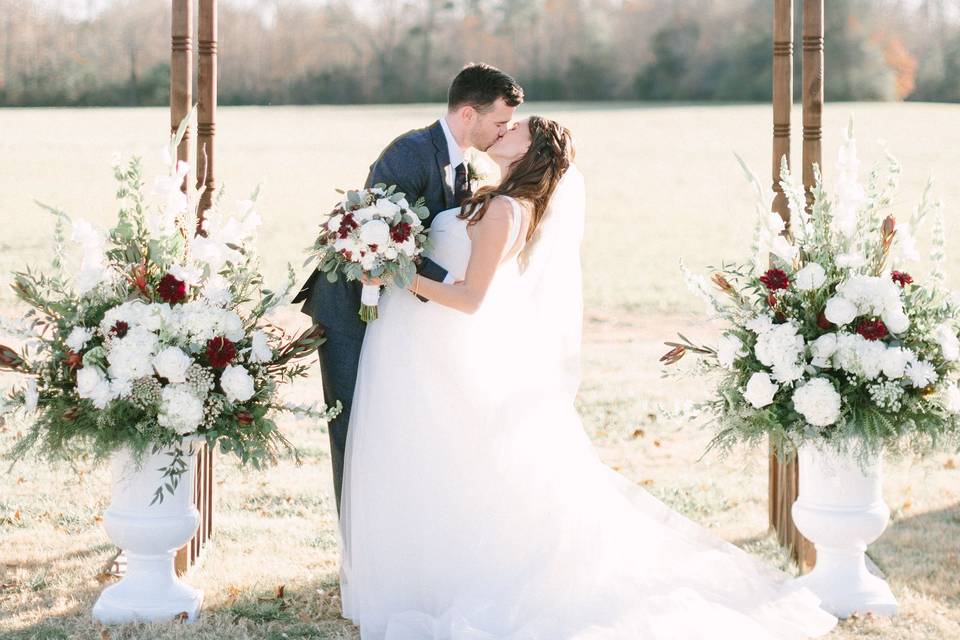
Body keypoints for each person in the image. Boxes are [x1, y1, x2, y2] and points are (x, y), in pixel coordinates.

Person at [337, 115, 839, 640]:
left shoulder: (508, 211)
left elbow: (470, 298)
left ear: (529, 152)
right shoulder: (495, 197)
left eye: (515, 131)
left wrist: (398, 273)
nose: (502, 131)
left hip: (449, 350)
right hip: (434, 356)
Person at [292, 63, 523, 512]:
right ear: (468, 115)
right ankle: (355, 552)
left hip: (398, 314)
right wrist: (445, 284)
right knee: (353, 429)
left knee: (391, 429)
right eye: (499, 123)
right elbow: (376, 240)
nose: (502, 133)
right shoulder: (411, 152)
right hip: (350, 308)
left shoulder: (464, 167)